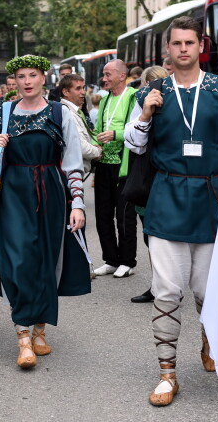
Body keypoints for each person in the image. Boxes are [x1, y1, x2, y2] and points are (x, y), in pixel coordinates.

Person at [124, 16, 218, 406]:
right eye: (176, 44)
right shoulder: (152, 91)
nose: (182, 49)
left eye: (189, 43)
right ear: (168, 49)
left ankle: (208, 337)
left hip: (212, 197)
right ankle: (167, 375)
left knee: (204, 289)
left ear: (201, 46)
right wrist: (145, 113)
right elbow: (133, 142)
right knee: (166, 290)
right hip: (166, 196)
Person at [0, 55, 91, 369]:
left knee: (46, 261)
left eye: (33, 75)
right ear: (14, 81)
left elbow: (72, 163)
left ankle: (40, 328)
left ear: (44, 78)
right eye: (20, 76)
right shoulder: (3, 113)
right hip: (12, 194)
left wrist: (79, 204)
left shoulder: (61, 113)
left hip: (50, 191)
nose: (27, 81)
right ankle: (22, 336)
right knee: (17, 262)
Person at [91, 59, 138, 278]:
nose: (104, 78)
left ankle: (127, 261)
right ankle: (111, 259)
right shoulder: (104, 99)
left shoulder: (133, 97)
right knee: (103, 213)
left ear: (122, 76)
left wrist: (115, 135)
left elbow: (137, 129)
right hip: (104, 163)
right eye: (103, 74)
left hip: (124, 164)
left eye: (108, 74)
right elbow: (99, 128)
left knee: (124, 216)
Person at [128, 66, 169, 304]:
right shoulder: (170, 101)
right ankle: (162, 284)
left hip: (151, 174)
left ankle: (161, 286)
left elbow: (134, 143)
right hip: (166, 173)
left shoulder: (142, 101)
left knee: (153, 235)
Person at [58, 73, 102, 174]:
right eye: (78, 89)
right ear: (65, 92)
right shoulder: (68, 113)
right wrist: (98, 151)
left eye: (83, 88)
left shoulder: (69, 110)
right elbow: (81, 147)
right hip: (72, 173)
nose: (83, 92)